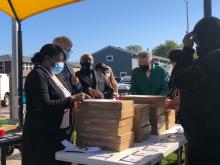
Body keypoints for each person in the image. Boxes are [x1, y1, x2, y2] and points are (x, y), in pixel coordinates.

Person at [22, 44, 91, 165]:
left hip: (58, 134)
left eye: (63, 61)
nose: (61, 64)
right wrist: (72, 99)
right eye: (59, 60)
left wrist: (79, 94)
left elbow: (65, 95)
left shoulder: (54, 75)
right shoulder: (38, 75)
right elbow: (45, 105)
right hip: (42, 136)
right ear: (47, 59)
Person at [174, 17, 220, 165]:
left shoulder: (213, 59)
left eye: (198, 40)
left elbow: (179, 79)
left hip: (207, 140)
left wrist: (187, 49)